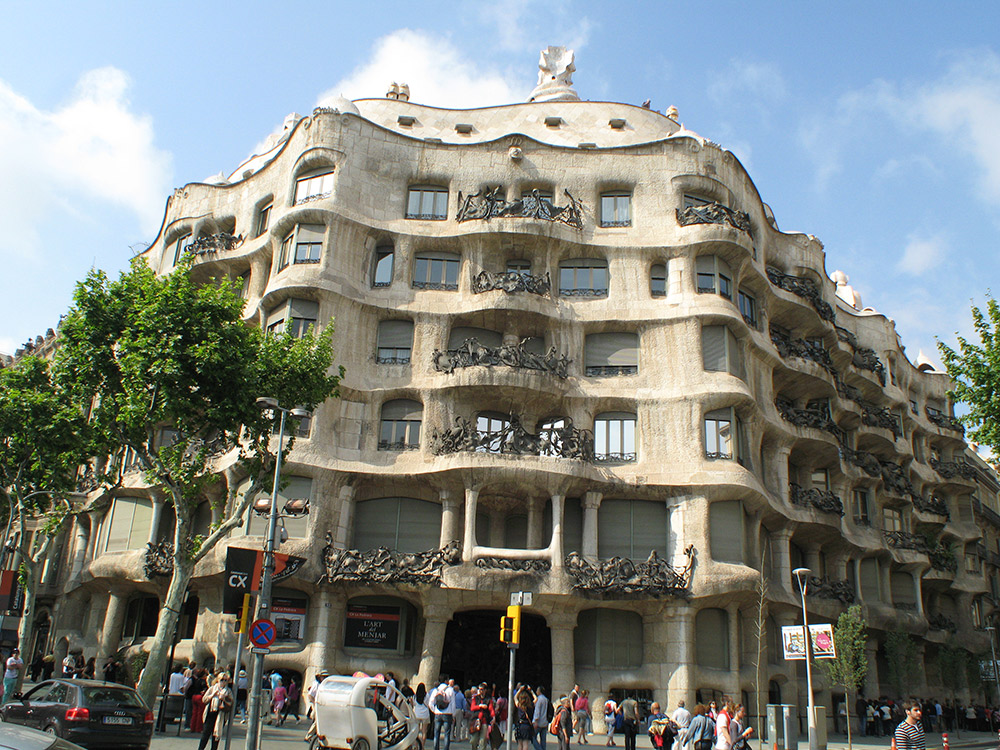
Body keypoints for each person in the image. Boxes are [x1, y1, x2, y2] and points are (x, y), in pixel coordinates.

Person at [198, 672, 233, 750]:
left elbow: (231, 703)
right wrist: (212, 695)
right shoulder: (212, 688)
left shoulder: (228, 691)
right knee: (205, 734)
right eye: (221, 680)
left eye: (225, 680)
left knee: (216, 735)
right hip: (210, 713)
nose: (223, 682)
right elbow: (204, 699)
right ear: (218, 680)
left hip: (221, 715)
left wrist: (224, 699)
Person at [429, 680, 456, 750]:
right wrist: (453, 715)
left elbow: (430, 703)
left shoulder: (436, 690)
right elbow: (453, 703)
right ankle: (446, 748)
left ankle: (436, 748)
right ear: (446, 681)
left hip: (438, 713)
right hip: (448, 713)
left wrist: (434, 710)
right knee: (447, 734)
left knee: (436, 733)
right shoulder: (450, 690)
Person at [471, 683, 495, 750]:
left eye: (482, 689)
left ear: (485, 690)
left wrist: (493, 717)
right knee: (474, 740)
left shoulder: (488, 699)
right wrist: (480, 706)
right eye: (479, 689)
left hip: (484, 721)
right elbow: (472, 707)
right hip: (476, 720)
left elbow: (491, 709)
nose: (480, 691)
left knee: (483, 740)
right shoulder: (475, 698)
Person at [513, 685, 535, 750]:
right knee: (525, 744)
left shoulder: (519, 705)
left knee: (520, 744)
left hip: (519, 725)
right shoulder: (530, 706)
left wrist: (520, 690)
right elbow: (536, 699)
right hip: (527, 725)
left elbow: (515, 698)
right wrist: (531, 691)